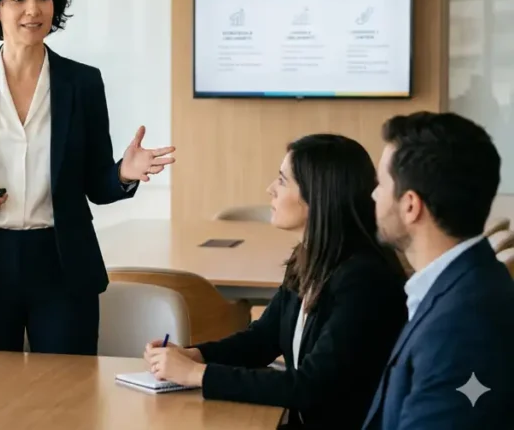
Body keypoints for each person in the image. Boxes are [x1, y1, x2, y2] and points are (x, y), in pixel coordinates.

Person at [0, 0, 175, 355]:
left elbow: (97, 183)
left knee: (70, 397)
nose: (33, 9)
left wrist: (125, 173)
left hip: (62, 264)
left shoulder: (83, 83)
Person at [145, 134, 408, 428]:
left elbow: (312, 386)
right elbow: (262, 340)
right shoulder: (309, 257)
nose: (270, 189)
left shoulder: (364, 281)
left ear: (317, 196)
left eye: (282, 181)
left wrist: (196, 375)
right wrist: (195, 355)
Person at [363, 112, 514, 429]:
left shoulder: (464, 325)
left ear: (410, 206)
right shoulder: (462, 283)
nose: (373, 194)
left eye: (380, 184)